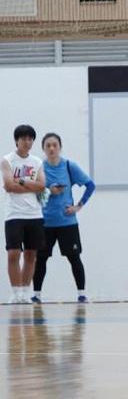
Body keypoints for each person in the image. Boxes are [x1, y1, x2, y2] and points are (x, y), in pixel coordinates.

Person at [31, 133, 96, 304]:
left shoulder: (69, 166)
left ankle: (81, 294)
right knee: (41, 259)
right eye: (48, 145)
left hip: (67, 222)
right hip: (45, 222)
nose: (52, 148)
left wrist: (78, 206)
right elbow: (35, 195)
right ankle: (36, 295)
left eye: (55, 145)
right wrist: (49, 191)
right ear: (43, 148)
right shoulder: (39, 168)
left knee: (74, 258)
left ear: (60, 147)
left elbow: (90, 185)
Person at [2, 125, 45, 303]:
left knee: (30, 255)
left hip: (34, 214)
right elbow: (8, 185)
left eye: (30, 139)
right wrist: (29, 184)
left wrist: (19, 181)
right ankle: (16, 292)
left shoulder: (37, 162)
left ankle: (25, 292)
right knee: (13, 254)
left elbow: (41, 186)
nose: (27, 142)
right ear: (16, 140)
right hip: (14, 214)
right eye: (23, 139)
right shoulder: (7, 160)